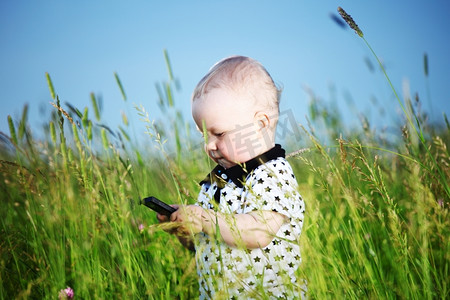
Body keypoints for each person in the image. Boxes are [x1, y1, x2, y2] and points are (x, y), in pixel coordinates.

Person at [157, 55, 306, 299]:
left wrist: (205, 218)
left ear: (260, 124)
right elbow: (205, 242)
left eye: (219, 133)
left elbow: (259, 232)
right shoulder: (216, 181)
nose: (209, 146)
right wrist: (187, 228)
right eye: (204, 135)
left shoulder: (272, 173)